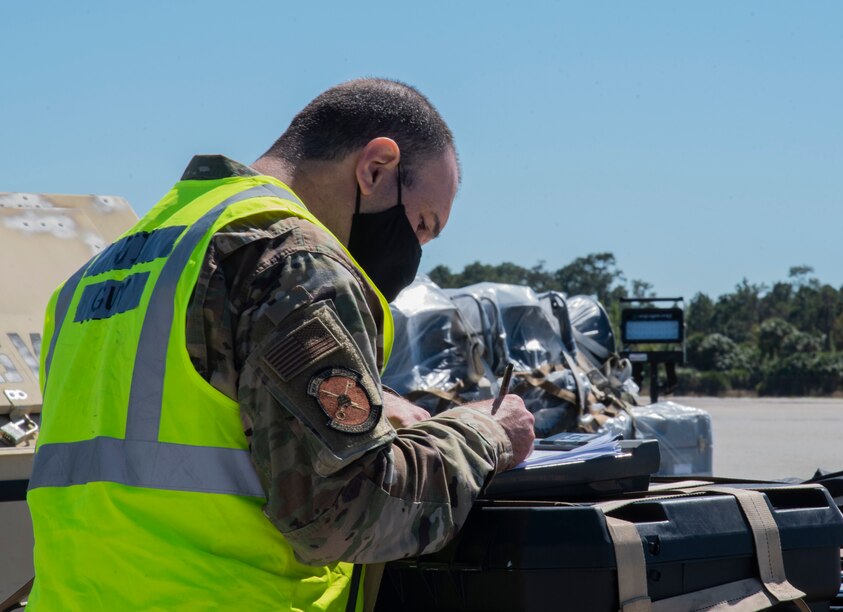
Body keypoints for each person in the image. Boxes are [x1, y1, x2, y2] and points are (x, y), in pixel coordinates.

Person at [27, 78, 535, 610]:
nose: (416, 252)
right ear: (376, 168)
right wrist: (484, 433)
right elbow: (345, 514)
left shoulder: (102, 272)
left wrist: (376, 410)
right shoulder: (295, 261)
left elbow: (197, 411)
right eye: (423, 224)